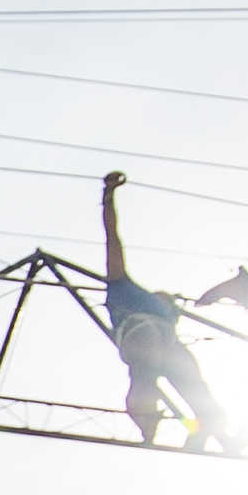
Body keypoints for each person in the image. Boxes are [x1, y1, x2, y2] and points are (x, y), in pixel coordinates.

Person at [101, 171, 235, 450]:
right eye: (164, 298)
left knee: (197, 388)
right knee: (145, 374)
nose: (167, 300)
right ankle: (148, 423)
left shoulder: (169, 317)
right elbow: (113, 239)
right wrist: (109, 195)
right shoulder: (124, 287)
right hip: (141, 334)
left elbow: (201, 301)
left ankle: (206, 430)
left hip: (165, 342)